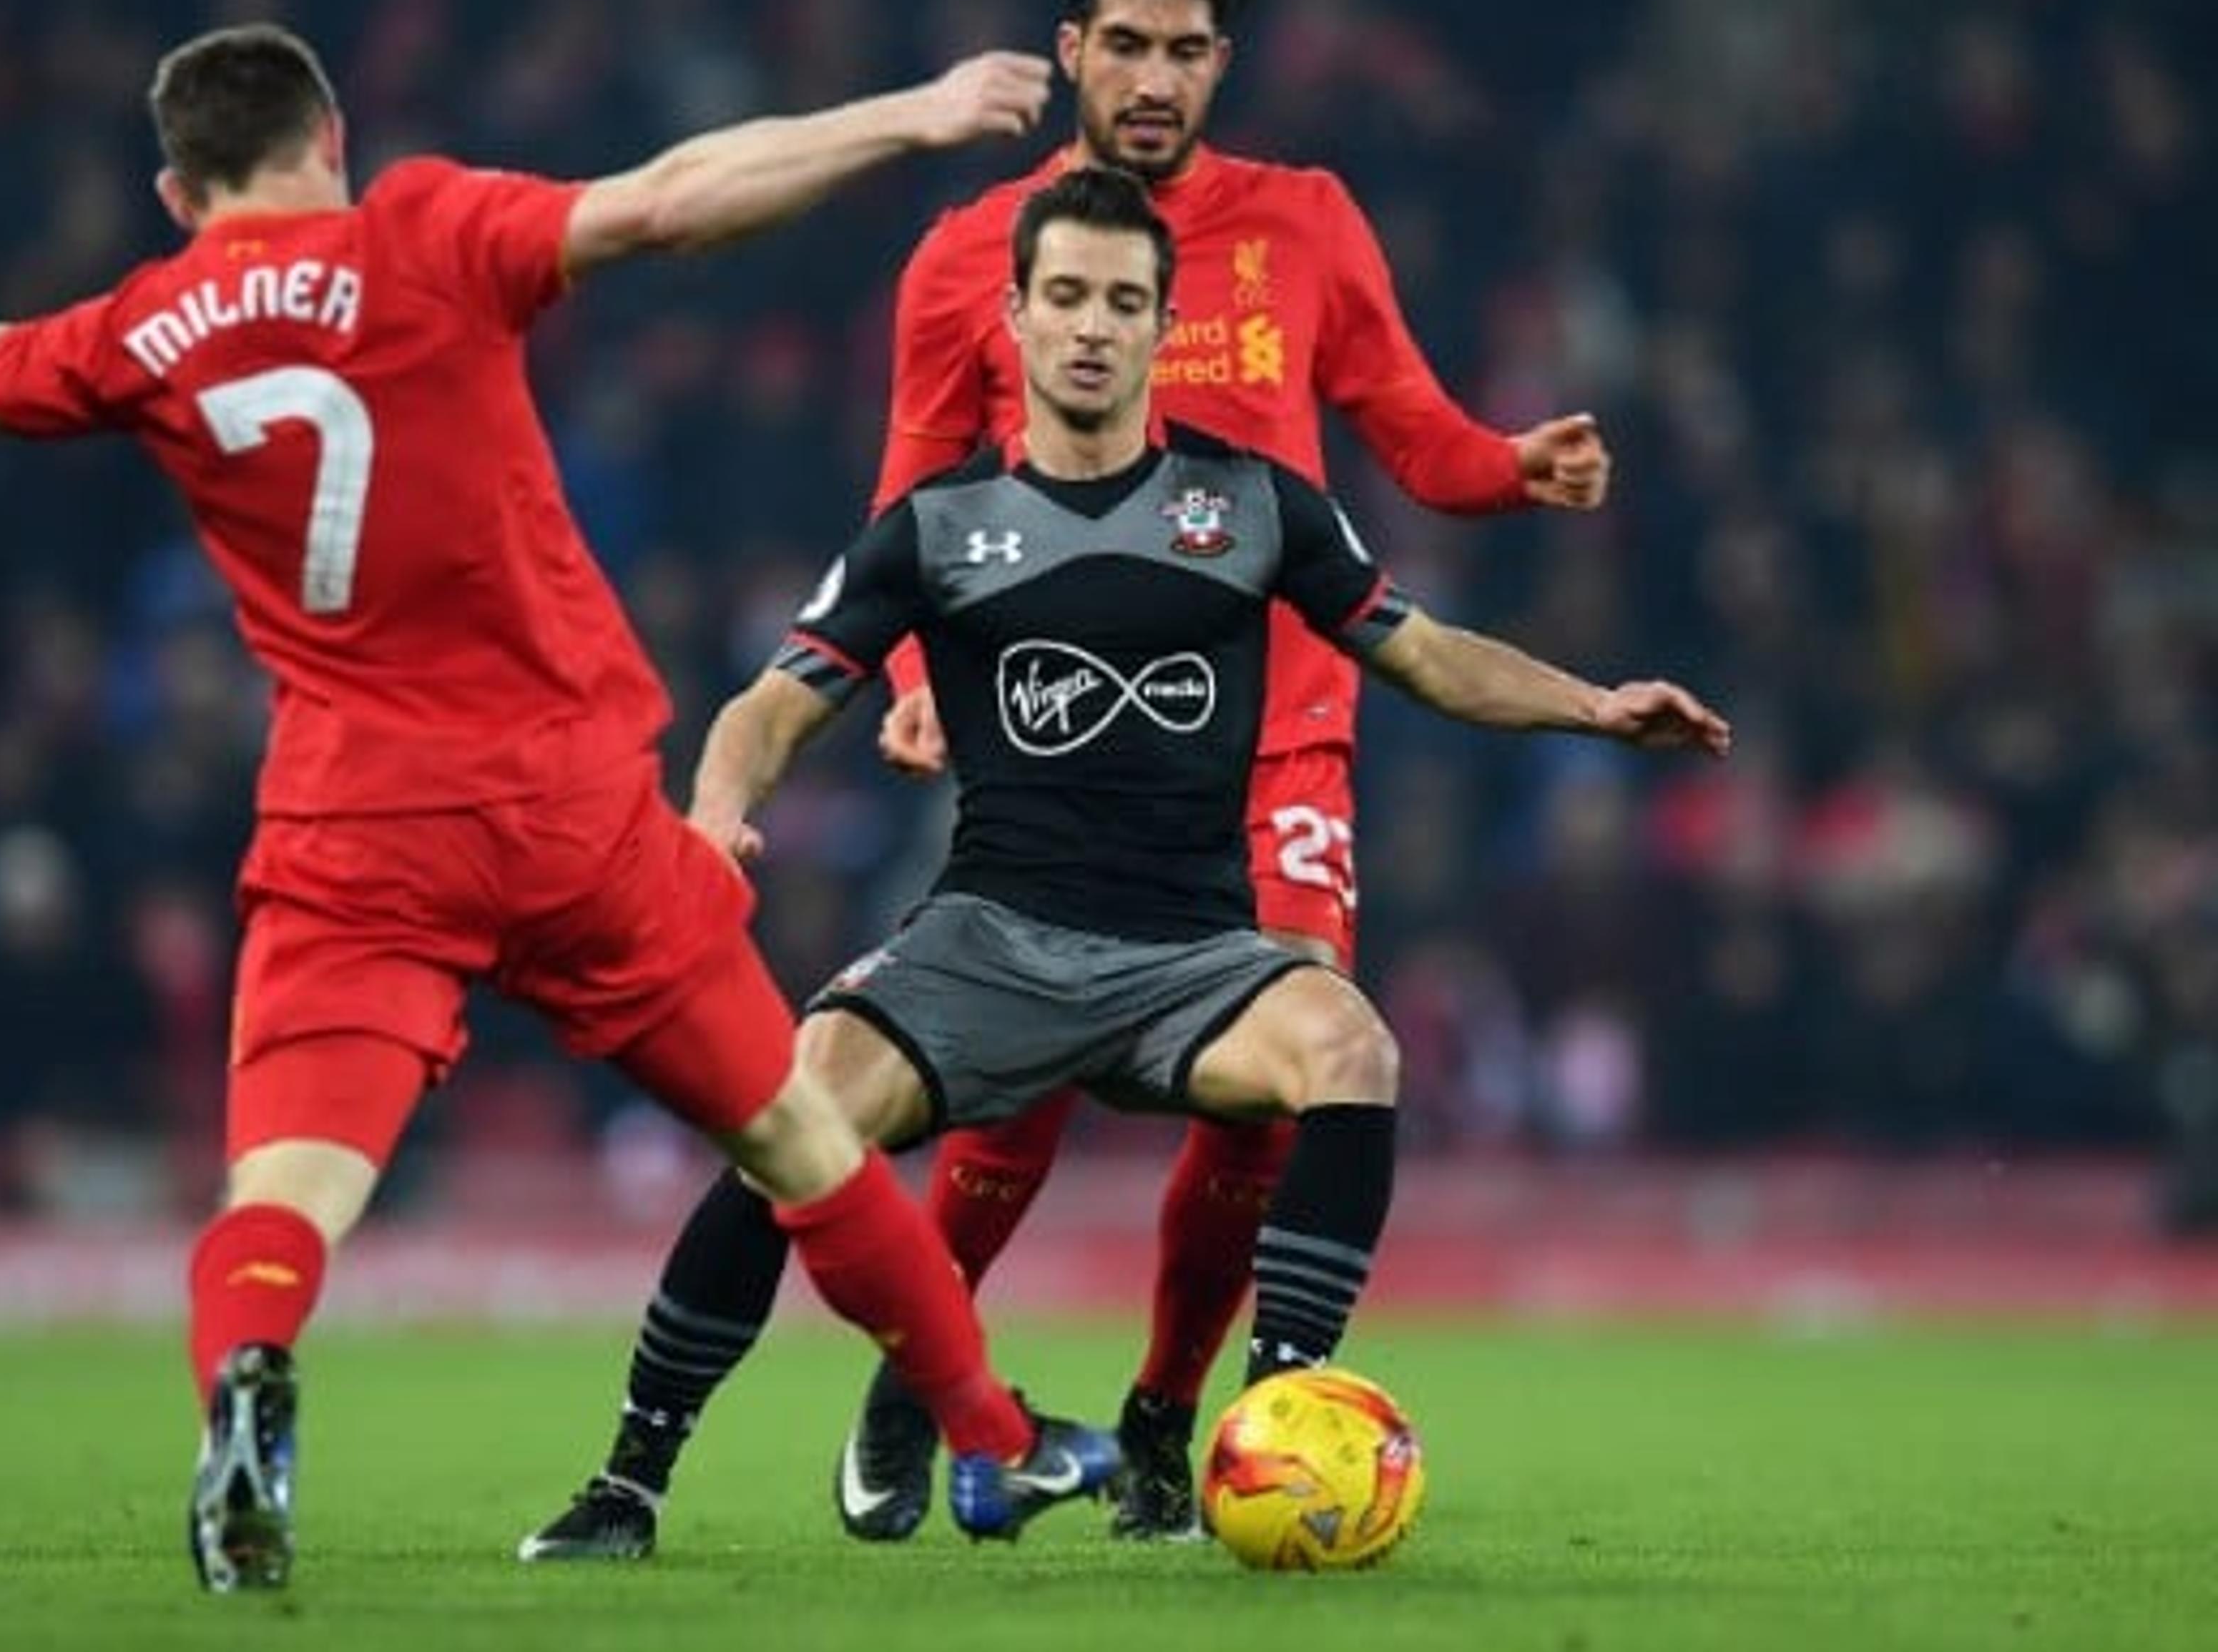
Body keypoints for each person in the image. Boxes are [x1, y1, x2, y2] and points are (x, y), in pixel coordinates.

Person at [0, 21, 1127, 1596]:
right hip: (565, 807)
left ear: (175, 189)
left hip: (357, 832)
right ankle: (987, 1434)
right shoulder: (418, 232)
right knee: (801, 1138)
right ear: (329, 141)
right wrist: (911, 112)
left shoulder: (147, 326)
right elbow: (675, 199)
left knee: (288, 1192)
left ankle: (253, 1380)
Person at [520, 169, 1723, 1560]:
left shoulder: (1257, 506)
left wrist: (1593, 705)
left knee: (1350, 1048)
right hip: (989, 941)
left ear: (1164, 327)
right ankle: (629, 1483)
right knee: (783, 1115)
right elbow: (772, 704)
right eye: (1070, 298)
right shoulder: (939, 527)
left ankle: (1278, 1423)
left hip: (1194, 956)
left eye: (1127, 302)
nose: (1095, 326)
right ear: (1018, 318)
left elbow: (1427, 653)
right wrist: (717, 810)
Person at [851, 0, 1619, 1541]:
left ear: (1224, 62)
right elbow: (910, 494)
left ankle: (1172, 1415)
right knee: (1014, 1085)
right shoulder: (967, 257)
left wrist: (1510, 471)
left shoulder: (1307, 222)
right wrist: (912, 685)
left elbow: (1409, 427)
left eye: (1186, 51)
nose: (1152, 77)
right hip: (1046, 727)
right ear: (1069, 51)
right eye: (1122, 44)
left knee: (1282, 1086)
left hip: (1280, 735)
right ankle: (926, 1377)